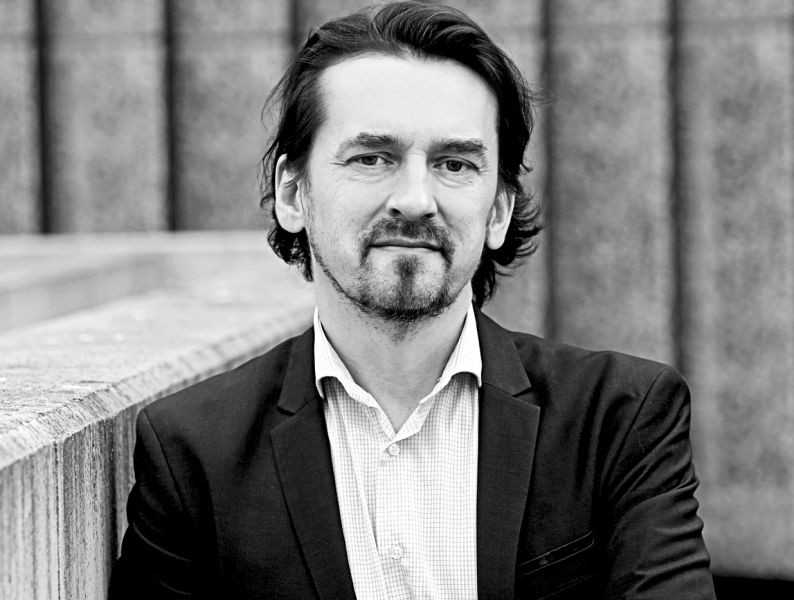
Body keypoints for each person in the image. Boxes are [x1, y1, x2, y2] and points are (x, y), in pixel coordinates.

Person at [109, 2, 715, 598]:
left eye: (455, 164)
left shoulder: (619, 419)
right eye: (373, 158)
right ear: (293, 194)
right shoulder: (194, 452)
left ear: (498, 212)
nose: (417, 200)